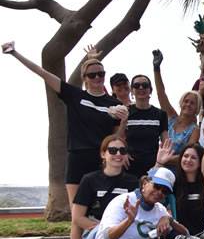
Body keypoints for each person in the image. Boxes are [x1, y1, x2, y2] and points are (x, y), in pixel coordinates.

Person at [2, 41, 128, 204]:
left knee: (102, 210)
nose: (97, 77)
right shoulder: (74, 95)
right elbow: (43, 73)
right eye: (92, 75)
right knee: (77, 212)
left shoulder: (113, 103)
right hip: (78, 157)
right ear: (85, 78)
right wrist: (15, 53)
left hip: (102, 161)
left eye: (101, 74)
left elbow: (117, 138)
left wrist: (124, 121)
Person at [70, 135, 139, 239]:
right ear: (103, 154)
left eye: (122, 150)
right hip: (97, 233)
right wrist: (103, 230)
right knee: (75, 225)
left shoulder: (132, 182)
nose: (118, 154)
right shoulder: (89, 180)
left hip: (122, 232)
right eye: (112, 150)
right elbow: (77, 217)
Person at [152, 50, 201, 157]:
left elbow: (187, 155)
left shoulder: (195, 130)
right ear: (181, 103)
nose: (188, 104)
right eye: (186, 101)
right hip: (158, 163)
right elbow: (161, 93)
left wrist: (164, 159)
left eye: (192, 103)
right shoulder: (171, 117)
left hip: (177, 168)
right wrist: (156, 68)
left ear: (197, 108)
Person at [124, 74, 168, 177]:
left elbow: (166, 142)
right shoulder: (125, 112)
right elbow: (118, 137)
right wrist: (122, 152)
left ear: (150, 90)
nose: (141, 88)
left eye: (145, 85)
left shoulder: (160, 114)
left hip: (153, 166)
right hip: (129, 166)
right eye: (136, 85)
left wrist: (161, 162)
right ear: (132, 90)